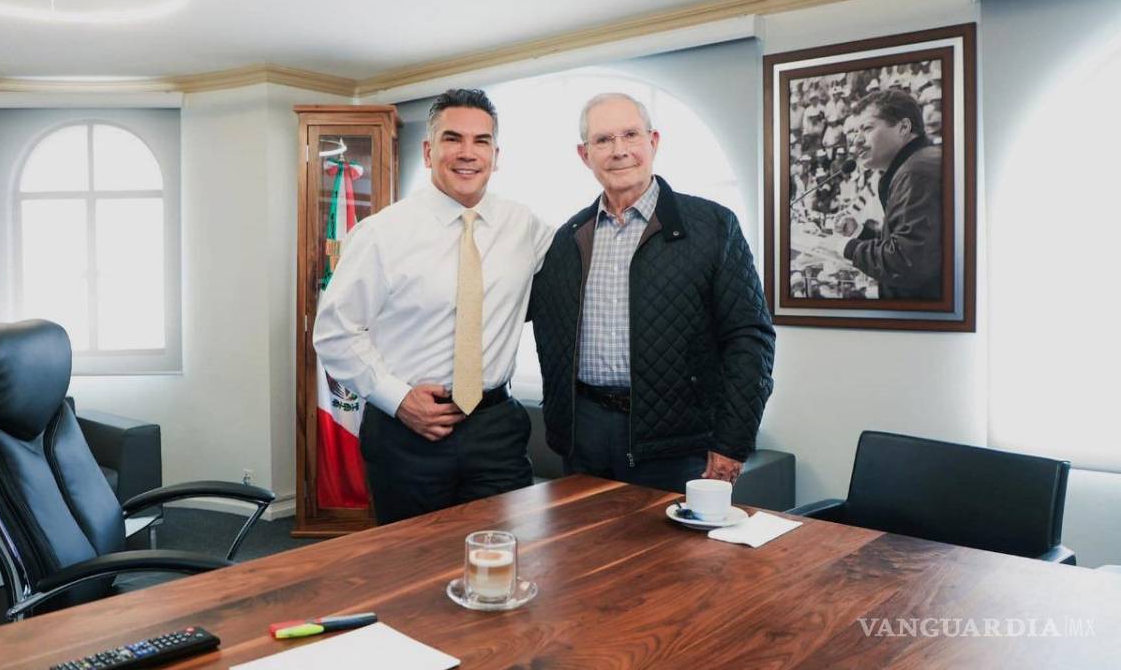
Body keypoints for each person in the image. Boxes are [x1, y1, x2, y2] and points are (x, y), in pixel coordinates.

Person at [313, 89, 553, 524]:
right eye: (452, 138)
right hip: (406, 430)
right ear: (428, 151)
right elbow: (334, 333)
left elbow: (579, 264)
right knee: (412, 558)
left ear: (496, 155)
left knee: (500, 551)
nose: (467, 153)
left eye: (481, 141)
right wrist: (398, 399)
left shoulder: (525, 226)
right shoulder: (381, 233)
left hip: (495, 429)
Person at [528, 93, 775, 493]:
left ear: (653, 141)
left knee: (671, 539)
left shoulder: (713, 226)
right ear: (584, 154)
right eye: (603, 140)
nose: (619, 150)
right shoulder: (568, 239)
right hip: (585, 438)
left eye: (630, 135)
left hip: (678, 445)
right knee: (586, 537)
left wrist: (732, 443)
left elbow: (750, 339)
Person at [812, 89, 943, 299]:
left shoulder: (916, 172)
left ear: (904, 127)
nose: (856, 141)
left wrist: (845, 246)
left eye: (867, 128)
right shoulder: (915, 164)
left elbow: (907, 261)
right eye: (855, 131)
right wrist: (860, 233)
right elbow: (909, 245)